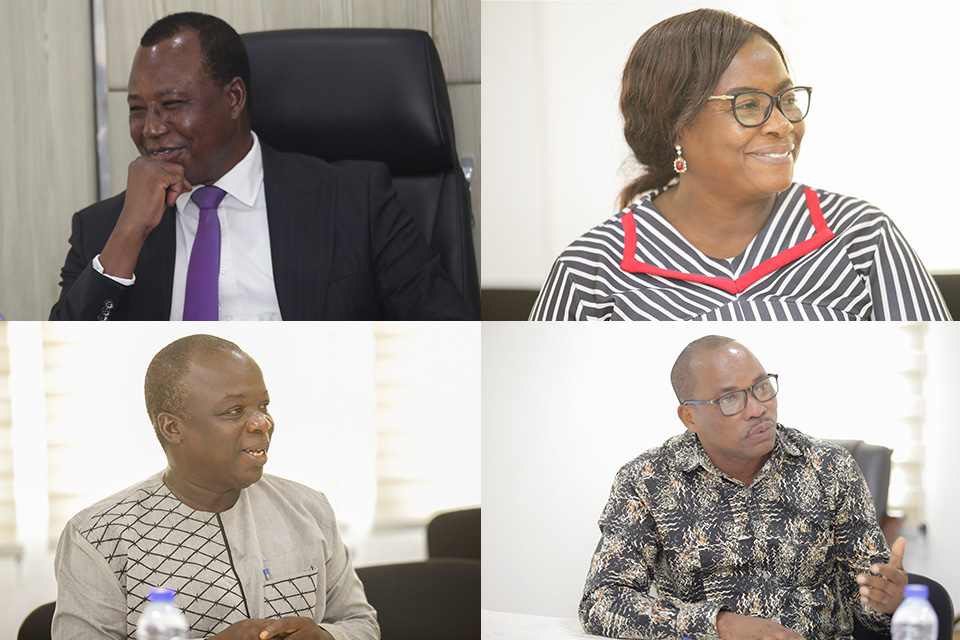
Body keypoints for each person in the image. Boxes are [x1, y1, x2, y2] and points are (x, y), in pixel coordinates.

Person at [49, 12, 475, 321]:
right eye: (137, 109)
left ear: (234, 98)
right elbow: (70, 363)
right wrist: (128, 234)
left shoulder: (354, 199)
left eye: (172, 104)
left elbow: (449, 335)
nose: (151, 129)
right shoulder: (102, 231)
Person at [531, 9, 948, 321]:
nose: (782, 124)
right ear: (675, 125)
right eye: (748, 105)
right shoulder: (589, 271)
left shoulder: (862, 236)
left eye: (787, 99)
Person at [579, 335, 908, 640]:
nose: (757, 409)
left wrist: (890, 602)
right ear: (690, 417)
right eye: (730, 399)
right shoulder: (647, 480)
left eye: (762, 387)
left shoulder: (830, 467)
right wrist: (721, 624)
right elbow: (601, 602)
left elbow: (869, 601)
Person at [52, 334, 379, 640]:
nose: (261, 422)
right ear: (172, 428)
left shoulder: (309, 509)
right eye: (235, 411)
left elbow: (361, 623)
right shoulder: (99, 537)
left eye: (263, 405)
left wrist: (326, 636)